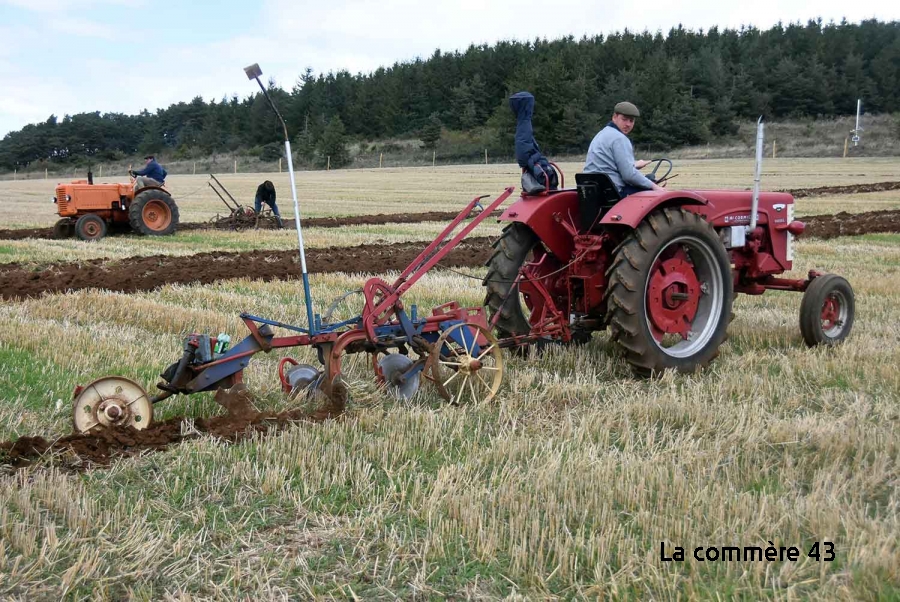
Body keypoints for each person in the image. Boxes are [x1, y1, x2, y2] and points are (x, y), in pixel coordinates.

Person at [583, 102, 665, 196]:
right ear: (614, 117)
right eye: (624, 119)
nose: (628, 124)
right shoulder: (620, 138)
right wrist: (654, 186)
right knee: (655, 193)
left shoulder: (602, 134)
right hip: (613, 192)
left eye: (631, 121)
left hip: (595, 191)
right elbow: (629, 176)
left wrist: (634, 165)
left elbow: (607, 165)